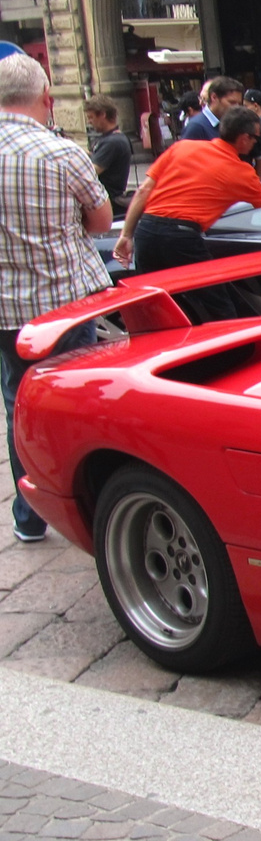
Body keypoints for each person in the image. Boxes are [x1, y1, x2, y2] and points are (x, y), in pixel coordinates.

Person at [0, 53, 113, 542]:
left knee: (16, 402)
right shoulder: (61, 152)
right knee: (72, 406)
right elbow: (101, 223)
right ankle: (79, 512)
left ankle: (29, 517)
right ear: (47, 100)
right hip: (65, 302)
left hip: (6, 308)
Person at [113, 106, 261, 320]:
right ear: (244, 138)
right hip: (181, 237)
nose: (257, 144)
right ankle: (231, 353)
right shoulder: (240, 172)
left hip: (146, 229)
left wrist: (126, 235)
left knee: (156, 303)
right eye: (257, 139)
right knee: (217, 305)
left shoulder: (182, 148)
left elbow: (143, 191)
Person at [84, 94, 132, 210]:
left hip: (107, 202)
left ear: (102, 115)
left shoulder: (112, 142)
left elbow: (90, 172)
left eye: (91, 117)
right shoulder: (112, 138)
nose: (89, 122)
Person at [180, 76, 244, 142]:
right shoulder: (196, 127)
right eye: (232, 102)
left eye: (239, 103)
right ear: (214, 97)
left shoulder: (231, 124)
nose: (237, 107)